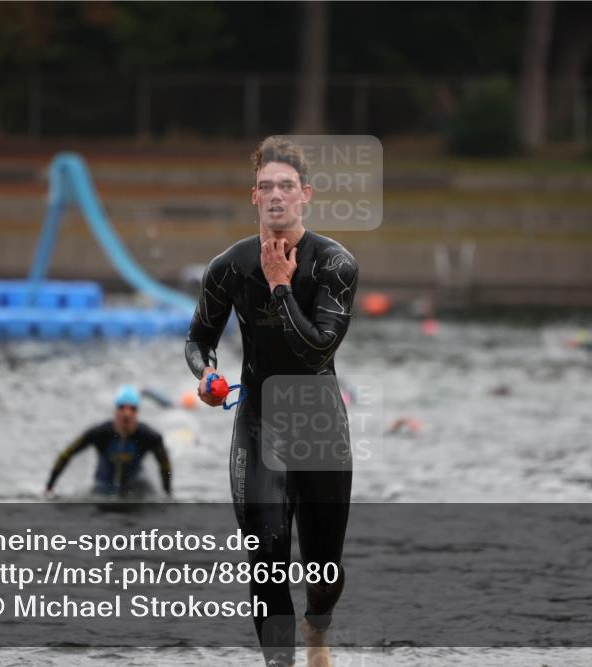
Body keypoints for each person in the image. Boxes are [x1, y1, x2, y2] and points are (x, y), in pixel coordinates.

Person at [185, 136, 359, 667]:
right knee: (265, 561)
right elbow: (198, 339)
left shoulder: (335, 265)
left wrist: (282, 287)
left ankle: (318, 627)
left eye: (287, 186)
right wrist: (206, 373)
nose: (276, 195)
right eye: (266, 187)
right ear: (254, 198)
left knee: (325, 567)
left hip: (320, 426)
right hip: (259, 427)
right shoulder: (229, 267)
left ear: (305, 194)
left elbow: (317, 349)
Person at [45, 384, 172, 498]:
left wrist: (168, 494)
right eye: (122, 408)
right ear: (115, 411)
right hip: (103, 487)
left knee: (144, 487)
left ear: (137, 412)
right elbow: (66, 454)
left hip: (135, 487)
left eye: (132, 409)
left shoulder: (149, 436)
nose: (126, 413)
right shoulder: (99, 433)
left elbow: (165, 465)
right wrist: (49, 488)